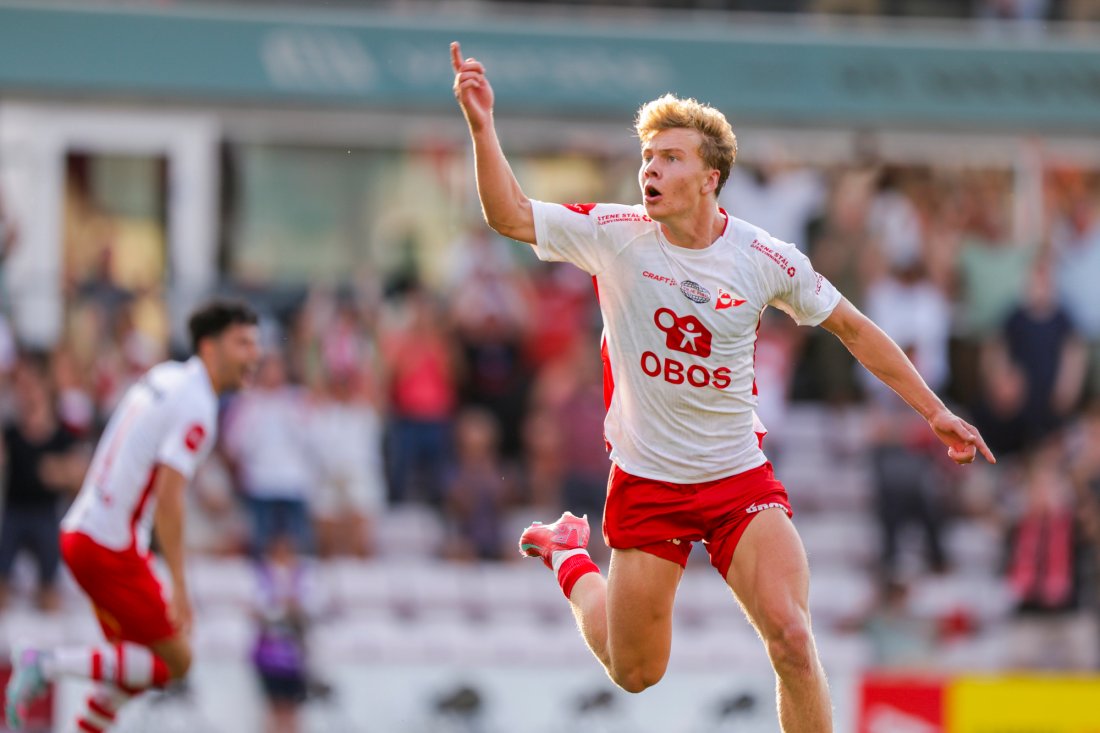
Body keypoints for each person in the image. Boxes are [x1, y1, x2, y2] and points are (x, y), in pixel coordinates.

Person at [451, 41, 996, 732]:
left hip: (738, 478)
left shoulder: (764, 258)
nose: (650, 169)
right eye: (647, 157)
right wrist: (481, 126)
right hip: (649, 480)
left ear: (710, 177)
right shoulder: (614, 233)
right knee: (635, 672)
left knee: (793, 638)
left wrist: (936, 411)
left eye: (669, 157)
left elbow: (856, 330)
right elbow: (511, 216)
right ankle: (567, 556)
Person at [4, 299, 261, 732]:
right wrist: (179, 585)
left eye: (255, 344)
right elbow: (169, 498)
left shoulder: (165, 376)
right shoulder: (198, 405)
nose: (253, 355)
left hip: (83, 531)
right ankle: (44, 662)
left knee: (135, 665)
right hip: (109, 545)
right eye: (243, 344)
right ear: (211, 348)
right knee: (176, 661)